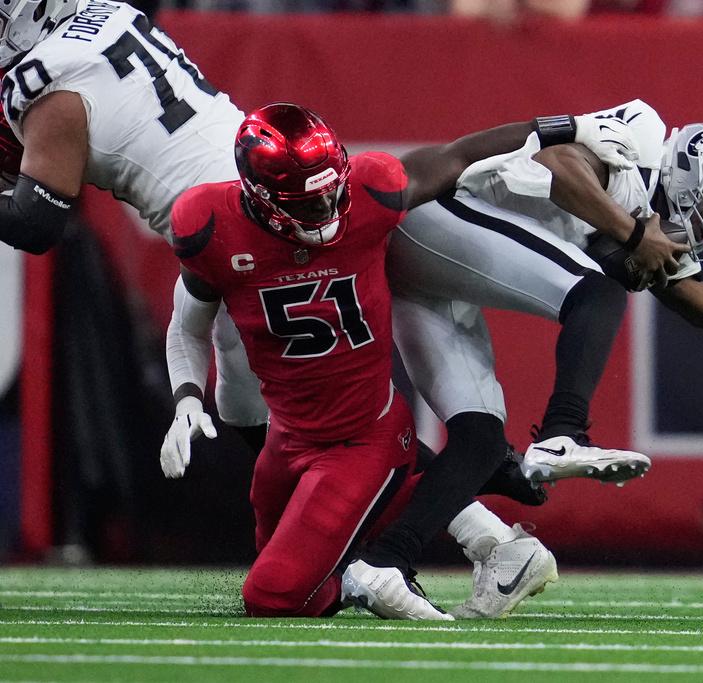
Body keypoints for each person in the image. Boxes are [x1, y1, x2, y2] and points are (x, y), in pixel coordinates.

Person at [362, 98, 703, 619]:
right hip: (432, 212)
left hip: (432, 275)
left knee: (479, 440)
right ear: (693, 169)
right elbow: (560, 163)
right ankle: (562, 434)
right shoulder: (640, 138)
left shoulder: (649, 222)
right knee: (595, 293)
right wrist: (633, 233)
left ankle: (384, 564)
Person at [164, 102, 655, 620]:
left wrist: (569, 127)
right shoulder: (209, 226)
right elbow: (187, 327)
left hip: (362, 439)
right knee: (298, 572)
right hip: (287, 439)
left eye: (332, 191)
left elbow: (462, 154)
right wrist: (186, 401)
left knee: (272, 596)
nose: (328, 209)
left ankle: (393, 563)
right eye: (308, 203)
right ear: (260, 198)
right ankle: (493, 513)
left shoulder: (369, 192)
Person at [0, 0, 270, 451]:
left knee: (287, 427)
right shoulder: (108, 11)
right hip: (258, 182)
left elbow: (34, 223)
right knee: (259, 414)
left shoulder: (47, 81)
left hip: (234, 237)